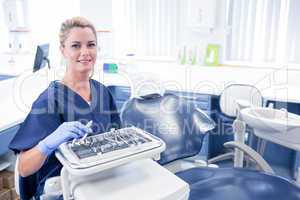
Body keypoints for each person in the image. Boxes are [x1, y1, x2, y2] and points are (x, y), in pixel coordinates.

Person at [9, 16, 121, 200]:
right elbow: (23, 168)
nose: (85, 52)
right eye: (76, 46)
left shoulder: (102, 92)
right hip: (63, 188)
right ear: (63, 50)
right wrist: (47, 144)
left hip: (101, 180)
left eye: (91, 45)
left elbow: (117, 136)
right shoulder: (49, 101)